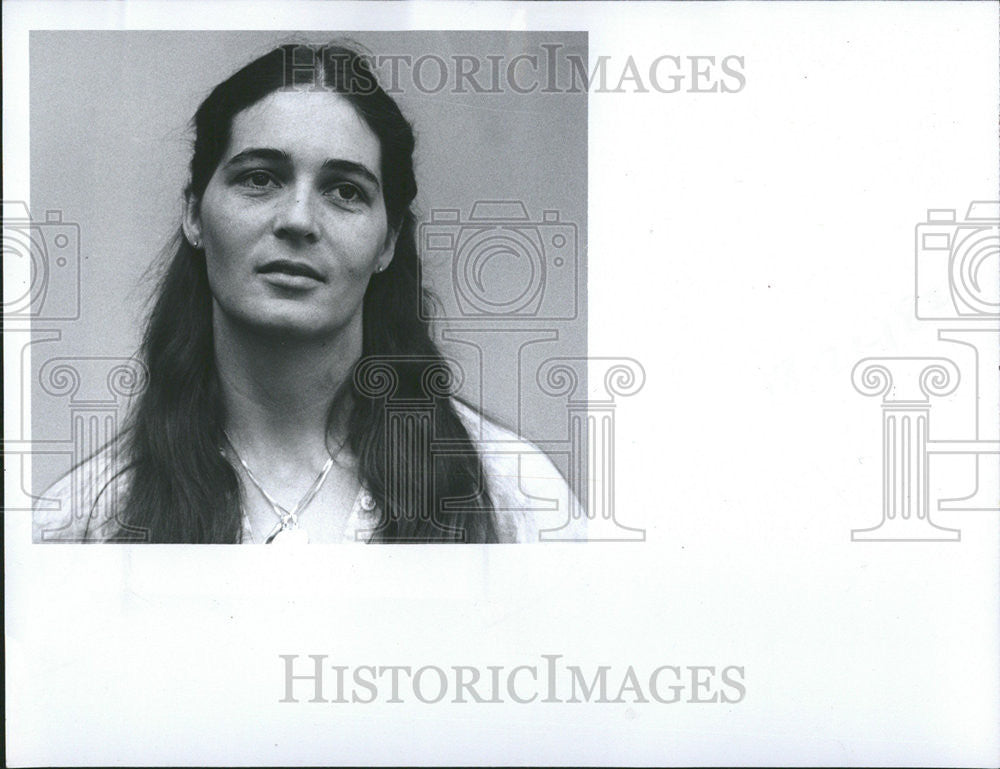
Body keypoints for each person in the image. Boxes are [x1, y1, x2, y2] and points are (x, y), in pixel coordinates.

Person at [32, 43, 584, 544]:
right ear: (194, 215)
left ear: (388, 241)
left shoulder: (519, 496)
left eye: (345, 191)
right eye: (259, 178)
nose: (298, 220)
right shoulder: (88, 517)